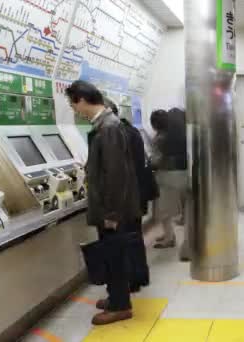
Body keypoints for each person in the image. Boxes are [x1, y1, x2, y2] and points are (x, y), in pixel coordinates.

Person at [66, 81, 140, 325]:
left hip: (112, 209)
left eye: (73, 104)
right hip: (110, 207)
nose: (74, 109)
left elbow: (115, 174)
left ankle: (120, 306)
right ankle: (115, 297)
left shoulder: (108, 128)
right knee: (111, 254)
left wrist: (111, 213)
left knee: (115, 256)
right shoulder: (106, 125)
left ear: (82, 100)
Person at [104, 98, 152, 292]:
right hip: (137, 192)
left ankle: (130, 279)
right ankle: (139, 276)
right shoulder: (132, 130)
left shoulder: (117, 134)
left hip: (125, 195)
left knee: (124, 238)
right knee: (135, 235)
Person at [150, 109, 189, 256]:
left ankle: (169, 237)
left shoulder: (159, 138)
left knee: (164, 210)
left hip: (167, 177)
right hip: (183, 175)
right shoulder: (181, 134)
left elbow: (156, 160)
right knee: (186, 212)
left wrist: (149, 164)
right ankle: (188, 242)